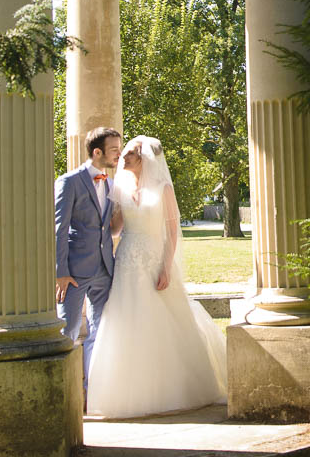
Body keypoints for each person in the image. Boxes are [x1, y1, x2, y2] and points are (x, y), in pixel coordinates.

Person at [86, 134, 227, 418]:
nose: (122, 159)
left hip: (154, 259)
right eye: (122, 154)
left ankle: (172, 388)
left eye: (129, 155)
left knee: (161, 320)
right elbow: (115, 229)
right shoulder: (120, 187)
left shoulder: (163, 188)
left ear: (144, 159)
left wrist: (165, 266)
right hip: (126, 260)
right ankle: (125, 391)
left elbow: (173, 232)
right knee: (126, 319)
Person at [54, 126, 123, 390]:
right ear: (97, 152)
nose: (119, 154)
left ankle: (90, 392)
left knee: (99, 332)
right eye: (114, 149)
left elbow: (109, 227)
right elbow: (59, 230)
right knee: (67, 331)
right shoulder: (69, 182)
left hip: (105, 270)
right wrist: (61, 272)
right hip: (73, 273)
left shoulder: (111, 182)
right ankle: (62, 392)